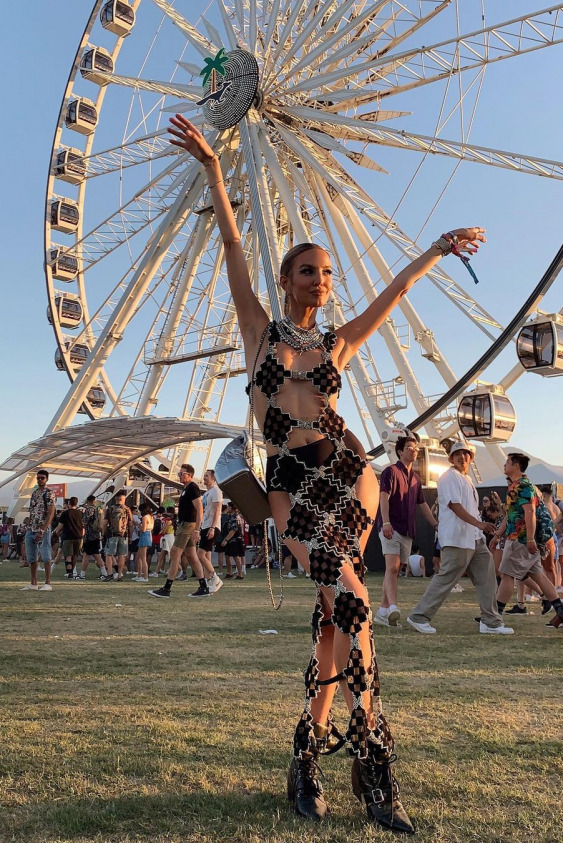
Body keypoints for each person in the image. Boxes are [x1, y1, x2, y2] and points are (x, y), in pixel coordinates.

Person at [168, 111, 487, 832]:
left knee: (333, 622)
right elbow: (229, 242)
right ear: (285, 279)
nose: (319, 279)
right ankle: (369, 762)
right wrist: (217, 174)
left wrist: (437, 249)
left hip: (348, 474)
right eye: (306, 270)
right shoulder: (260, 331)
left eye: (326, 272)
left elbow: (395, 295)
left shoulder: (337, 344)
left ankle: (313, 758)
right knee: (352, 607)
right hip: (289, 487)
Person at [407, 443, 513, 636]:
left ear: (471, 458)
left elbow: (469, 509)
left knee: (487, 578)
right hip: (457, 538)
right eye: (457, 454)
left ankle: (491, 621)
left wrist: (480, 531)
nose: (462, 457)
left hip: (474, 539)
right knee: (446, 578)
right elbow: (455, 506)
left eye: (465, 454)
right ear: (451, 458)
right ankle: (419, 617)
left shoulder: (466, 480)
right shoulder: (448, 478)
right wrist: (480, 525)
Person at [490, 454, 563, 629]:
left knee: (507, 575)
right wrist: (498, 535)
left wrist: (530, 538)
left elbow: (529, 512)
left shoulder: (522, 486)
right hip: (521, 539)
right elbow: (511, 515)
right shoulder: (518, 486)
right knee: (538, 575)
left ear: (516, 465)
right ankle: (560, 610)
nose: (504, 465)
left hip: (519, 540)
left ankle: (494, 617)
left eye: (507, 462)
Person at [374, 435, 437, 627]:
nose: (414, 450)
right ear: (400, 451)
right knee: (392, 568)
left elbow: (422, 504)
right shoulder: (390, 471)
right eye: (409, 447)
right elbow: (383, 497)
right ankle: (393, 607)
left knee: (395, 569)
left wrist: (435, 524)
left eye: (415, 448)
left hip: (407, 530)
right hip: (391, 526)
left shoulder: (416, 478)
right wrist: (386, 523)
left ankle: (383, 610)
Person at [149, 465, 202, 598]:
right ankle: (204, 586)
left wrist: (197, 530)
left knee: (174, 553)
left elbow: (200, 509)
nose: (179, 475)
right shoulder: (186, 489)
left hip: (188, 525)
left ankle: (167, 588)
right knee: (191, 555)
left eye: (181, 473)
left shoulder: (192, 487)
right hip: (185, 524)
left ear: (189, 474)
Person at [189, 469, 223, 598]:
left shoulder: (216, 491)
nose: (204, 478)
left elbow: (217, 510)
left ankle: (215, 577)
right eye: (204, 476)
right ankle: (209, 582)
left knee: (200, 554)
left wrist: (213, 527)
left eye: (207, 476)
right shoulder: (207, 493)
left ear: (213, 478)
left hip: (211, 526)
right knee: (205, 556)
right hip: (205, 526)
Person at [23, 469, 56, 591]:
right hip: (31, 528)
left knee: (46, 555)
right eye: (38, 478)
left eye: (42, 478)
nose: (40, 480)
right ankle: (33, 583)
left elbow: (51, 513)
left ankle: (47, 583)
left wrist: (42, 530)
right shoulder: (34, 493)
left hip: (43, 529)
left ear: (47, 479)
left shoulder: (49, 493)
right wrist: (28, 526)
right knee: (31, 557)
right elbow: (32, 511)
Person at [103, 491, 133, 582]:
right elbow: (130, 524)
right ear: (123, 499)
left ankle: (110, 573)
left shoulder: (110, 509)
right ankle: (119, 575)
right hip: (123, 535)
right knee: (122, 555)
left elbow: (105, 523)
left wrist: (103, 534)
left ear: (116, 499)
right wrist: (130, 536)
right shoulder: (127, 509)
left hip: (112, 534)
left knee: (109, 554)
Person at [55, 497, 85, 579]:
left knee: (68, 555)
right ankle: (72, 572)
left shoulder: (65, 514)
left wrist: (56, 533)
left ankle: (69, 573)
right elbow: (83, 526)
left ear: (68, 504)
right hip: (78, 536)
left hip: (68, 536)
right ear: (76, 503)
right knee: (75, 555)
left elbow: (60, 526)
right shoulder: (80, 513)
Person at [78, 495, 106, 580]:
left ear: (88, 501)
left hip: (89, 535)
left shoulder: (89, 509)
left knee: (89, 555)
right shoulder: (98, 509)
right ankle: (104, 573)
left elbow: (84, 522)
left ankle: (82, 575)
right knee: (95, 554)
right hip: (96, 535)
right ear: (94, 500)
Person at [220, 502, 245, 580]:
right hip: (231, 539)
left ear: (231, 508)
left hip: (235, 539)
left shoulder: (235, 517)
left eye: (228, 507)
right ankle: (229, 573)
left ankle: (240, 574)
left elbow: (233, 531)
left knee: (236, 556)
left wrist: (225, 540)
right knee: (227, 555)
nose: (227, 508)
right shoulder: (231, 517)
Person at [134, 503, 154, 583]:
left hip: (144, 535)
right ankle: (139, 575)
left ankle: (145, 576)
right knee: (139, 557)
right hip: (148, 535)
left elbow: (143, 529)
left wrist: (137, 524)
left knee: (142, 558)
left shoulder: (145, 517)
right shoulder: (151, 517)